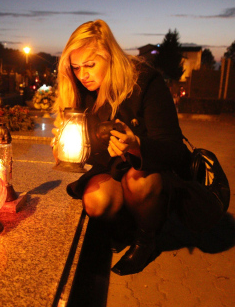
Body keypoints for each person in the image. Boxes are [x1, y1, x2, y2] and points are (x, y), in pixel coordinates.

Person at [52, 19, 191, 275]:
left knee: (137, 181)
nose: (83, 75)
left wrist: (137, 145)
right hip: (115, 169)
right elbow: (94, 152)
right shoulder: (80, 91)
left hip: (153, 170)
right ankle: (127, 226)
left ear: (109, 56)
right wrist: (65, 146)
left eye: (90, 65)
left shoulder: (145, 82)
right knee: (95, 201)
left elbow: (173, 149)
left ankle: (146, 239)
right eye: (76, 67)